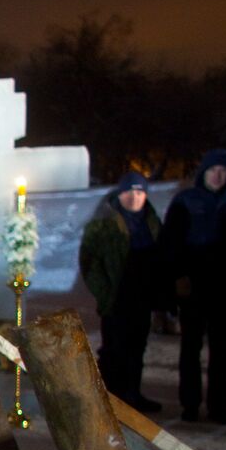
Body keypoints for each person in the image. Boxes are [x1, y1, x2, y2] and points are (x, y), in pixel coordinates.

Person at [160, 149, 226, 423]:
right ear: (203, 172)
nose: (217, 176)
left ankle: (218, 406)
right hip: (193, 285)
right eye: (213, 170)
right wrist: (177, 277)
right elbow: (171, 243)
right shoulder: (186, 201)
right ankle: (190, 405)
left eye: (224, 171)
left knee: (222, 349)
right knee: (190, 347)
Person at [78, 171, 163, 412]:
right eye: (129, 192)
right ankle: (110, 398)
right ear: (120, 193)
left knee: (137, 347)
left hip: (142, 295)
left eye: (139, 192)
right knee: (114, 348)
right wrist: (104, 293)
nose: (134, 198)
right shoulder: (104, 224)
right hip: (116, 296)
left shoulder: (152, 222)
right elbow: (89, 261)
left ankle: (132, 394)